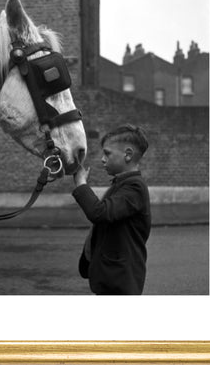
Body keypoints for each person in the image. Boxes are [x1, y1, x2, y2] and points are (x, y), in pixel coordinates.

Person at [72, 124, 151, 295]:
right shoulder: (122, 183)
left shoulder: (134, 187)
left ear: (128, 155)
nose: (102, 159)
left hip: (120, 281)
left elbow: (99, 213)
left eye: (107, 153)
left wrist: (81, 183)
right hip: (111, 277)